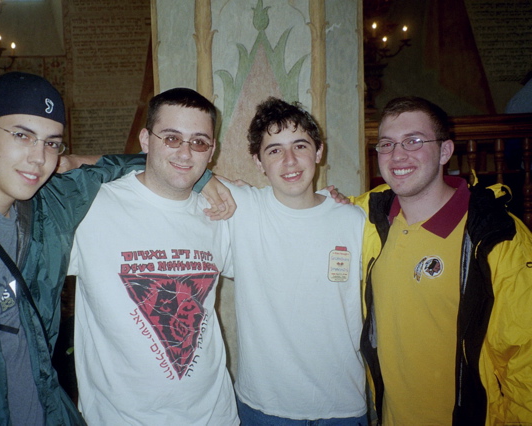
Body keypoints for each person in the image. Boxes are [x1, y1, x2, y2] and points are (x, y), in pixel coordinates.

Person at [0, 73, 232, 425]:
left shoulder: (51, 210)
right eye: (22, 135)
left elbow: (124, 167)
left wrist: (201, 176)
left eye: (52, 143)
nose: (38, 157)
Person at [353, 96, 532, 425]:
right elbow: (303, 207)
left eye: (414, 141)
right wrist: (224, 188)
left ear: (446, 151)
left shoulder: (495, 235)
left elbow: (526, 355)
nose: (397, 155)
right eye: (387, 144)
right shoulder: (368, 217)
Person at [67, 87, 238, 424]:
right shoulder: (89, 208)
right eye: (171, 138)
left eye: (199, 142)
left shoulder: (221, 212)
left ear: (212, 151)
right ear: (146, 140)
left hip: (214, 416)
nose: (186, 154)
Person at [225, 98, 368, 425]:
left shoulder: (354, 220)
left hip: (342, 404)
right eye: (274, 150)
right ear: (258, 162)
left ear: (318, 152)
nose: (289, 161)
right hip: (264, 406)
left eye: (300, 146)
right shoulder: (243, 209)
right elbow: (175, 171)